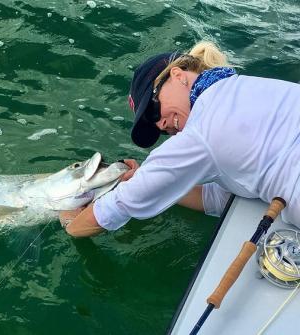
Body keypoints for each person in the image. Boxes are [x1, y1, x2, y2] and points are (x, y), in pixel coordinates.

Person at [61, 41, 300, 237]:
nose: (161, 125)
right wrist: (157, 181)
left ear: (177, 75)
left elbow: (113, 209)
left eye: (153, 111)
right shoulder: (250, 86)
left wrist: (69, 221)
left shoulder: (201, 133)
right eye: (158, 130)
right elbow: (220, 196)